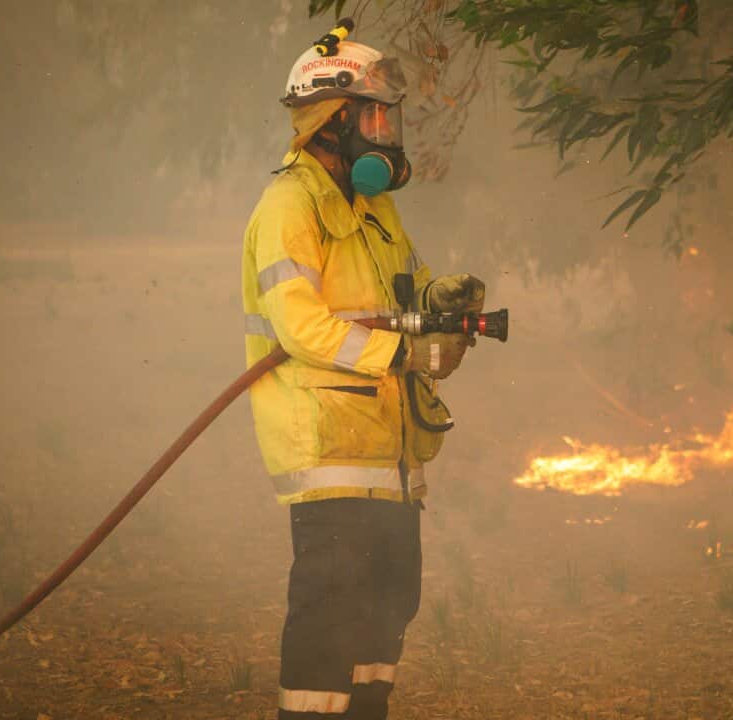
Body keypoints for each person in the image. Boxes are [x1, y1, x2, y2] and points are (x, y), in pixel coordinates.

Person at [240, 21, 485, 719]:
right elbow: (301, 326)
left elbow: (406, 289)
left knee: (389, 605)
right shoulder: (290, 206)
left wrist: (442, 302)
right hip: (328, 449)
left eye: (388, 116)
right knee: (330, 610)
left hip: (390, 450)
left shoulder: (374, 205)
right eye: (374, 115)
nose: (386, 131)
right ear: (331, 121)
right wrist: (402, 353)